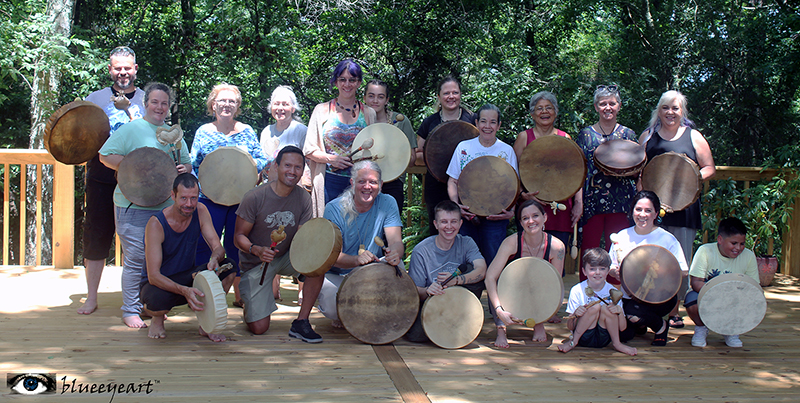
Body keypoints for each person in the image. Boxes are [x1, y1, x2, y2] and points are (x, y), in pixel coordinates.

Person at [99, 82, 191, 328]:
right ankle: (130, 308)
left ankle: (148, 304)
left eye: (164, 103)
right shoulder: (132, 129)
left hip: (163, 207)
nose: (159, 107)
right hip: (133, 205)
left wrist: (183, 169)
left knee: (156, 260)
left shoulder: (174, 134)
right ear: (145, 103)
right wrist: (134, 167)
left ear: (168, 106)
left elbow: (187, 164)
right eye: (154, 102)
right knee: (136, 257)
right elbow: (105, 155)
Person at [78, 46, 146, 315]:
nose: (122, 73)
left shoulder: (147, 99)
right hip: (101, 174)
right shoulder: (94, 99)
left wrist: (129, 110)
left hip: (139, 176)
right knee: (97, 233)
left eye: (127, 68)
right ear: (110, 70)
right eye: (117, 68)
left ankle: (141, 296)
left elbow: (154, 133)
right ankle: (91, 296)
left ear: (135, 69)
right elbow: (81, 135)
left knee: (140, 237)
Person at [640, 90, 715, 329]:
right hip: (653, 211)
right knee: (651, 259)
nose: (670, 112)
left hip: (685, 209)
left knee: (679, 260)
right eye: (665, 108)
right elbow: (639, 172)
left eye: (675, 108)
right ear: (658, 111)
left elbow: (709, 167)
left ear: (682, 112)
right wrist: (644, 200)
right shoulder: (648, 136)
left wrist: (689, 182)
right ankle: (649, 309)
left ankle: (673, 311)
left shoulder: (693, 137)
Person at [233, 146, 324, 342]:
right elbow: (238, 237)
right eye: (287, 165)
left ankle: (302, 321)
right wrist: (256, 249)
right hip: (257, 262)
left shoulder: (303, 197)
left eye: (298, 167)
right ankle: (251, 306)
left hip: (286, 257)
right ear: (276, 166)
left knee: (319, 263)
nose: (292, 171)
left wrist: (314, 254)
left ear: (303, 170)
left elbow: (303, 237)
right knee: (259, 328)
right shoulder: (255, 197)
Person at [190, 83, 268, 308]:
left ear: (238, 106)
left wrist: (252, 166)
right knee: (205, 244)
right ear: (213, 104)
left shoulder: (246, 131)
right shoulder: (203, 131)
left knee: (238, 245)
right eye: (222, 101)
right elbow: (193, 163)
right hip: (209, 198)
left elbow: (262, 159)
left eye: (232, 101)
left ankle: (238, 293)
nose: (226, 105)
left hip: (240, 200)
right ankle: (203, 291)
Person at [140, 174, 236, 341]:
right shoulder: (156, 223)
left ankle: (208, 322)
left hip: (188, 276)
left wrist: (214, 258)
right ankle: (157, 319)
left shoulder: (200, 210)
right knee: (155, 301)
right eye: (183, 198)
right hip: (159, 283)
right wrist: (184, 290)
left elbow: (217, 247)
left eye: (193, 198)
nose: (189, 204)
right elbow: (153, 276)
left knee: (229, 267)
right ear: (173, 196)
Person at [318, 161, 403, 327]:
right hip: (339, 274)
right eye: (362, 181)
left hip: (373, 271)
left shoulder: (388, 202)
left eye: (373, 182)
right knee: (332, 310)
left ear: (381, 185)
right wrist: (356, 260)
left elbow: (396, 242)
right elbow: (333, 257)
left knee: (399, 267)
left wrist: (395, 253)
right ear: (352, 183)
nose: (367, 186)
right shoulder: (334, 208)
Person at [575, 85, 638, 284]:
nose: (607, 107)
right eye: (603, 104)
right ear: (596, 107)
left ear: (619, 106)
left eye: (612, 103)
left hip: (621, 201)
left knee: (619, 249)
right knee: (590, 248)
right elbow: (578, 170)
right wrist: (578, 202)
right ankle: (587, 295)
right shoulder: (585, 135)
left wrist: (639, 200)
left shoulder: (628, 134)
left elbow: (639, 169)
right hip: (592, 200)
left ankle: (616, 296)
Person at [609, 191, 689, 346]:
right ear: (632, 211)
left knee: (633, 313)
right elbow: (611, 266)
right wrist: (615, 272)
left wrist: (661, 272)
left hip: (660, 298)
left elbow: (684, 271)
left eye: (648, 210)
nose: (642, 214)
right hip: (630, 297)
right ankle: (640, 322)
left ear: (656, 214)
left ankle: (660, 326)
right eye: (638, 209)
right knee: (624, 334)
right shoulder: (622, 236)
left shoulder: (666, 238)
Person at [485, 199, 566, 348]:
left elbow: (555, 285)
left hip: (536, 292)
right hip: (509, 291)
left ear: (544, 218)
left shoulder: (557, 247)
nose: (531, 221)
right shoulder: (511, 243)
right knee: (495, 284)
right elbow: (490, 277)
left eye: (535, 216)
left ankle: (538, 324)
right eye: (525, 218)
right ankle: (501, 329)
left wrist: (541, 319)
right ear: (521, 223)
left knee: (545, 283)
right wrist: (498, 310)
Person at [404, 200, 487, 343]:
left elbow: (482, 269)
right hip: (432, 303)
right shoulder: (421, 251)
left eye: (454, 222)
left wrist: (457, 280)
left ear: (460, 224)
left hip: (458, 302)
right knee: (415, 335)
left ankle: (465, 318)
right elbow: (414, 290)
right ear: (436, 224)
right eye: (444, 222)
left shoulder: (466, 243)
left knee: (470, 271)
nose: (449, 227)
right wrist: (428, 291)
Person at [304, 59, 376, 217]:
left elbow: (374, 149)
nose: (347, 84)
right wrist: (331, 159)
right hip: (328, 181)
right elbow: (308, 150)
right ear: (335, 82)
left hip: (359, 184)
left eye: (352, 80)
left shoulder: (369, 113)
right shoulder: (321, 110)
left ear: (359, 83)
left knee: (356, 229)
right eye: (342, 79)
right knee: (329, 231)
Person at [446, 104, 517, 263]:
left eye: (493, 122)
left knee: (494, 260)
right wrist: (456, 206)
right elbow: (453, 180)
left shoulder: (507, 151)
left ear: (498, 125)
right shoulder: (464, 148)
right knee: (466, 261)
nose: (487, 126)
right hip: (467, 215)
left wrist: (512, 211)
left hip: (496, 217)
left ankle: (492, 288)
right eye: (483, 121)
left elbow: (514, 186)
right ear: (476, 123)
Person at [514, 91, 582, 254]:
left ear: (556, 112)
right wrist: (523, 194)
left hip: (560, 208)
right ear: (532, 113)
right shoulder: (524, 137)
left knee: (556, 254)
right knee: (529, 256)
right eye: (539, 108)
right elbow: (512, 173)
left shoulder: (565, 137)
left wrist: (579, 203)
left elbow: (576, 172)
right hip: (531, 208)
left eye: (549, 108)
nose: (544, 112)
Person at [260, 85, 310, 303]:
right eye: (276, 104)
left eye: (285, 103)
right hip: (272, 192)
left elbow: (308, 159)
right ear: (271, 107)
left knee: (299, 236)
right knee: (272, 234)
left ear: (293, 107)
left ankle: (302, 289)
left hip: (297, 191)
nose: (280, 108)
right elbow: (263, 162)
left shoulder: (300, 130)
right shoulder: (266, 131)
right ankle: (273, 288)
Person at [685, 217, 758, 348]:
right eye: (734, 243)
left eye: (742, 244)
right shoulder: (705, 251)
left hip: (736, 295)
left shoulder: (748, 256)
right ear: (720, 240)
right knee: (691, 301)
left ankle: (731, 330)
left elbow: (753, 286)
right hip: (707, 293)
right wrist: (718, 294)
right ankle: (701, 327)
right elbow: (695, 282)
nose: (738, 248)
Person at [416, 75, 474, 235]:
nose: (451, 97)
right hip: (436, 187)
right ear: (439, 97)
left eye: (455, 93)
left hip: (468, 186)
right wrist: (433, 159)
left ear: (460, 95)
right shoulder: (429, 123)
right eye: (446, 93)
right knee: (439, 232)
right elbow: (417, 153)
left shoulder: (473, 120)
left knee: (466, 232)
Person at [558, 248, 637, 356]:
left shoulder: (613, 291)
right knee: (594, 308)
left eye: (602, 268)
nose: (597, 272)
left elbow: (622, 328)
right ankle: (573, 342)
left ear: (608, 271)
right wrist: (575, 314)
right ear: (584, 271)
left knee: (606, 308)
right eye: (592, 269)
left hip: (604, 338)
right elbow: (570, 326)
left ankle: (617, 343)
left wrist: (619, 312)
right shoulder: (577, 290)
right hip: (583, 336)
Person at [364, 79, 417, 213]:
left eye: (380, 97)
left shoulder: (400, 121)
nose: (375, 100)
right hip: (363, 183)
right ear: (364, 97)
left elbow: (412, 160)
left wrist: (395, 156)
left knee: (391, 228)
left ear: (387, 100)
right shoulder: (357, 120)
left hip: (393, 183)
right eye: (371, 96)